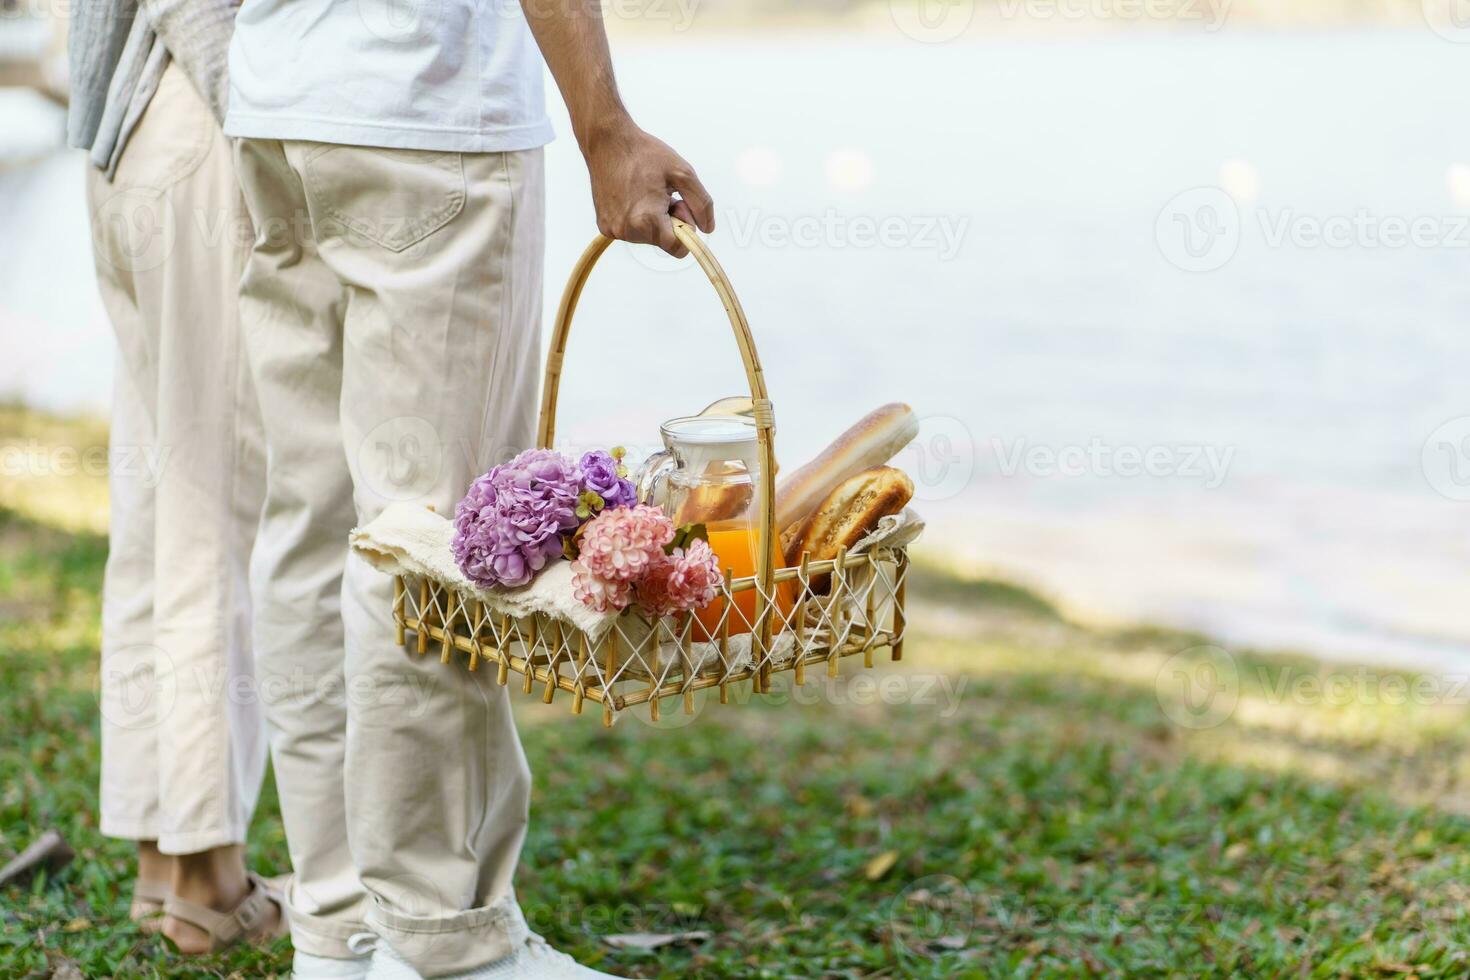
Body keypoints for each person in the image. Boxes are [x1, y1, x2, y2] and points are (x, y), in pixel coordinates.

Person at [222, 0, 714, 975]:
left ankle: (340, 924)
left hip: (277, 108)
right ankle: (447, 944)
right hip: (423, 113)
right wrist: (605, 125)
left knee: (313, 528)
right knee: (432, 541)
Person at [68, 0, 284, 954]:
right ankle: (208, 880)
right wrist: (270, 124)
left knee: (159, 516)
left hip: (126, 129)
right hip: (199, 116)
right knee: (216, 516)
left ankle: (164, 862)